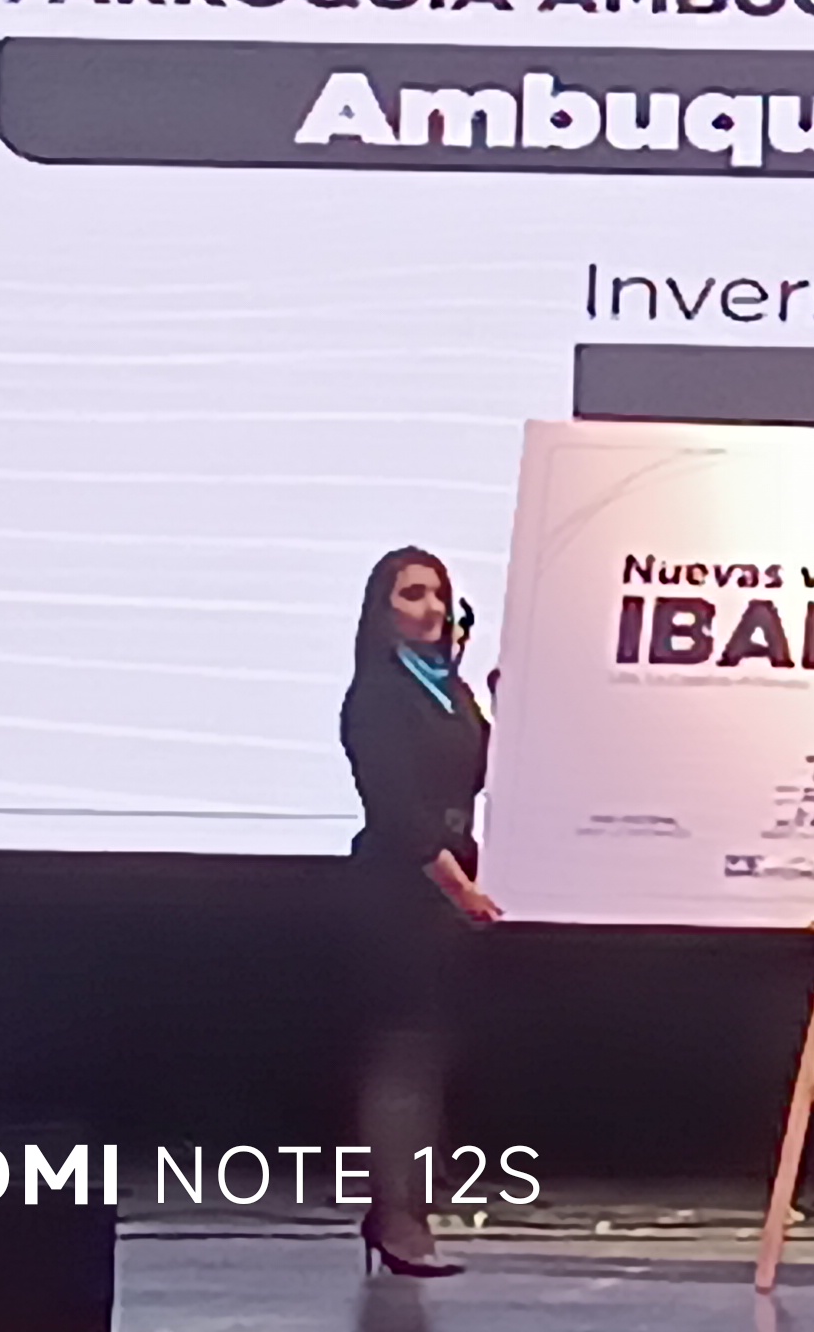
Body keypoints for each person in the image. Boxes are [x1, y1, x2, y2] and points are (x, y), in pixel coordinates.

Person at [340, 545, 498, 1281]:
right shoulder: (376, 696)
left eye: (438, 593)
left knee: (430, 1055)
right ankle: (396, 1219)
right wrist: (460, 889)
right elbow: (400, 812)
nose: (431, 607)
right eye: (412, 594)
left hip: (448, 886)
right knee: (402, 1055)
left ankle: (408, 1213)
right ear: (382, 610)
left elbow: (482, 773)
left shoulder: (451, 689)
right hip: (399, 892)